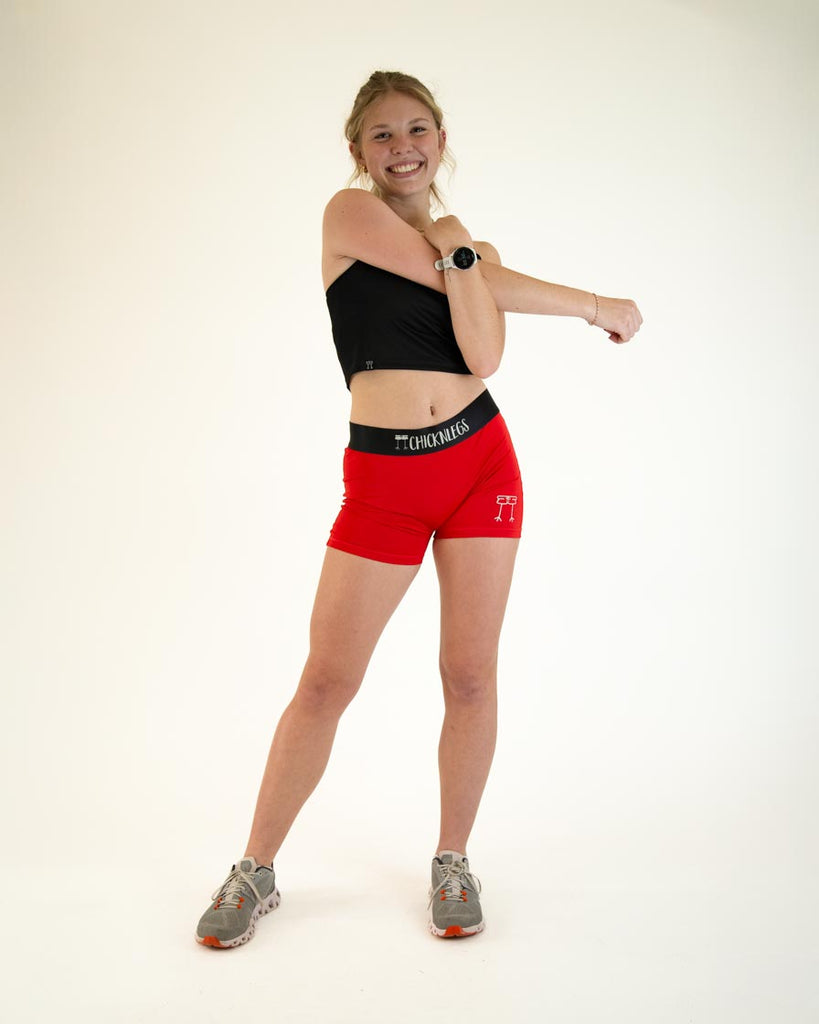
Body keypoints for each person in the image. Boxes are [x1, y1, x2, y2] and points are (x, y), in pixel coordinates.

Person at [195, 70, 642, 948]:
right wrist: (534, 282)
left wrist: (481, 256)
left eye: (417, 129)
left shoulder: (460, 245)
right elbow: (460, 282)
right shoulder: (349, 218)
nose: (402, 147)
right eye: (380, 135)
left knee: (469, 674)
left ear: (441, 137)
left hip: (482, 464)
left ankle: (452, 859)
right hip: (386, 483)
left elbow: (483, 352)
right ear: (357, 151)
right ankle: (254, 868)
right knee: (327, 681)